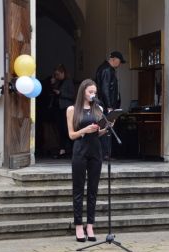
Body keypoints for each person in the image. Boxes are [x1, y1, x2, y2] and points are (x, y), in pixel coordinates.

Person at [66, 79, 108, 242]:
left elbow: (98, 133)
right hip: (79, 151)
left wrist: (107, 127)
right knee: (78, 189)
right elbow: (71, 135)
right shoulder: (72, 109)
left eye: (94, 92)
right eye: (90, 92)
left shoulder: (99, 109)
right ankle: (78, 225)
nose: (93, 94)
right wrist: (85, 129)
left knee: (93, 189)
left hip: (95, 151)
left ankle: (90, 225)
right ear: (83, 91)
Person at [94, 51, 126, 159]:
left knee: (105, 127)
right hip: (106, 105)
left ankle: (105, 153)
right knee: (106, 127)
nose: (120, 64)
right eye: (120, 61)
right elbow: (105, 89)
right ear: (114, 59)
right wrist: (109, 105)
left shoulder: (105, 68)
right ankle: (105, 154)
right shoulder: (107, 70)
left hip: (105, 104)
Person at [54, 64, 76, 158]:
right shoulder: (58, 82)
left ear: (63, 73)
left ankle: (71, 149)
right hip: (59, 109)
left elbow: (72, 96)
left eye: (58, 74)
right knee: (60, 129)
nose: (57, 76)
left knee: (67, 129)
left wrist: (60, 93)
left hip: (66, 108)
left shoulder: (68, 82)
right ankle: (62, 150)